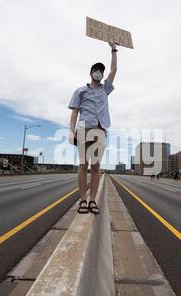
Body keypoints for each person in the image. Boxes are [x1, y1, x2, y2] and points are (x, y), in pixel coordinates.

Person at [68, 41, 118, 215]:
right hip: (83, 129)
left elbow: (114, 70)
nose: (99, 72)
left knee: (96, 167)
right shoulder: (80, 91)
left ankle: (92, 201)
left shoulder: (105, 89)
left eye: (101, 71)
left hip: (100, 130)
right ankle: (82, 200)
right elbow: (74, 112)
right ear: (90, 73)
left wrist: (113, 49)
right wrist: (71, 130)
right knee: (83, 165)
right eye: (96, 70)